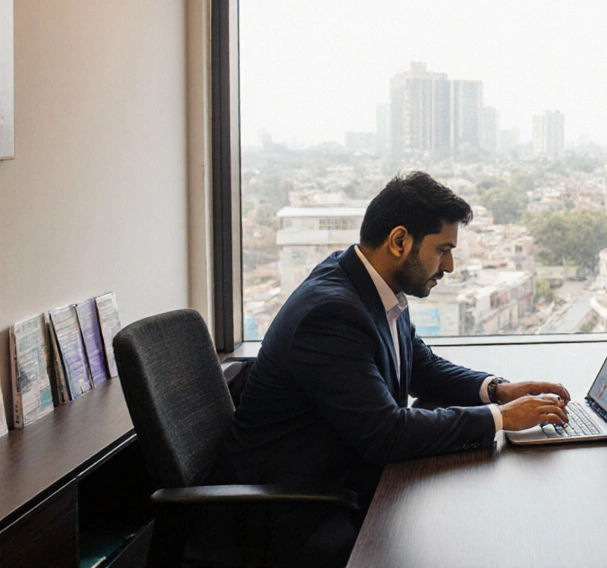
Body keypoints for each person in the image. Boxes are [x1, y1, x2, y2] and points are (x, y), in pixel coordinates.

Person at [219, 172, 569, 566]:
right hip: (290, 516)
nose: (450, 266)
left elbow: (421, 367)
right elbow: (386, 434)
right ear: (399, 241)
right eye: (443, 250)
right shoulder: (331, 313)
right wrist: (501, 419)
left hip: (341, 481)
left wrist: (498, 390)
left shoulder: (370, 285)